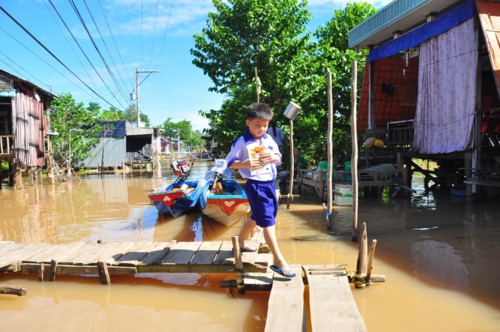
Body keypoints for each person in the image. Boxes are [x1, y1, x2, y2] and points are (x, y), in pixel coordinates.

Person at [225, 102, 296, 278]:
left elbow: (279, 158)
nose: (262, 129)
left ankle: (240, 242)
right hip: (255, 185)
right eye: (258, 125)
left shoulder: (268, 139)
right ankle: (278, 261)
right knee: (269, 221)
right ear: (248, 122)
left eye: (265, 125)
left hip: (270, 183)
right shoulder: (241, 142)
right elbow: (228, 163)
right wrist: (244, 163)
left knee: (258, 217)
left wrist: (273, 157)